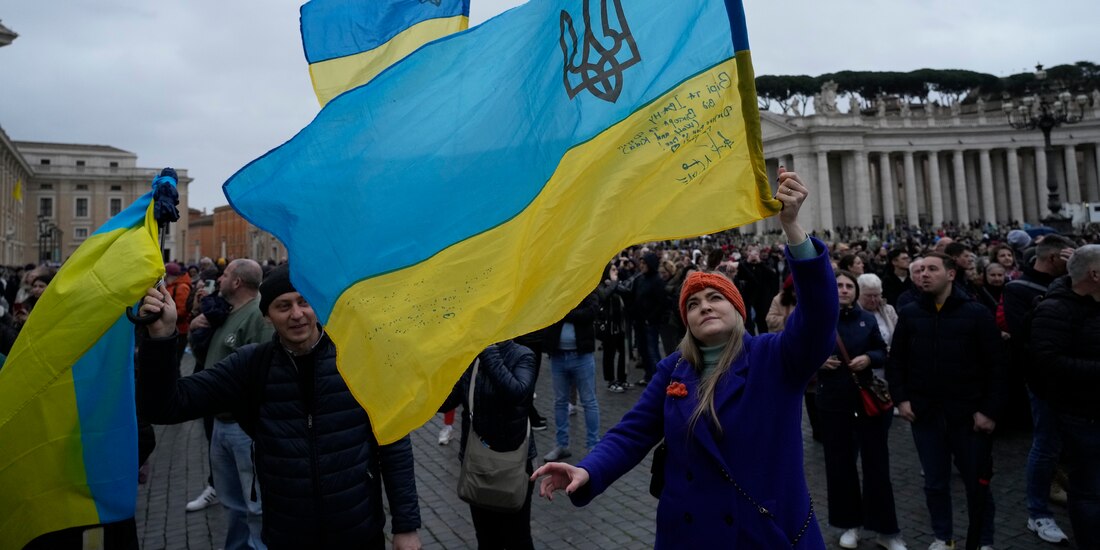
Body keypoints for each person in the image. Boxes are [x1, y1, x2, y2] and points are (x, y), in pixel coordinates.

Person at [532, 169, 840, 548]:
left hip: (763, 529)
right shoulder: (673, 369)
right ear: (687, 322)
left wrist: (792, 229)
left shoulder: (775, 357)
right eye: (692, 304)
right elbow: (632, 433)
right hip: (687, 534)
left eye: (715, 298)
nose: (703, 307)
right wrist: (587, 469)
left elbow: (820, 317)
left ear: (738, 310)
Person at [136, 264, 422, 549]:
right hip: (288, 536)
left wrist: (406, 526)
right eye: (283, 306)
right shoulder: (251, 365)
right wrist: (161, 337)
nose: (296, 315)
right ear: (267, 317)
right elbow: (166, 407)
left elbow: (394, 443)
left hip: (359, 531)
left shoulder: (358, 359)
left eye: (303, 302)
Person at [887, 252, 1008, 550]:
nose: (924, 275)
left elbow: (998, 366)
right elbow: (896, 361)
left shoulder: (976, 313)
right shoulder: (911, 313)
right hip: (925, 415)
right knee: (935, 483)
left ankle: (983, 540)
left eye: (932, 269)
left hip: (968, 415)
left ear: (951, 274)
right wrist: (901, 400)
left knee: (976, 483)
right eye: (921, 270)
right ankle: (943, 537)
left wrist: (989, 410)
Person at [817, 271, 904, 550]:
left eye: (848, 286)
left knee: (877, 465)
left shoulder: (867, 319)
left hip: (867, 400)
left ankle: (886, 530)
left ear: (856, 292)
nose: (843, 290)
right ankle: (848, 525)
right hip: (833, 401)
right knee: (841, 466)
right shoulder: (818, 319)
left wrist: (869, 357)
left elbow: (881, 350)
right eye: (838, 285)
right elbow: (797, 354)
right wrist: (818, 363)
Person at [1001, 234, 1075, 543]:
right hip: (1043, 382)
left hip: (1076, 384)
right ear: (1055, 258)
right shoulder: (1018, 289)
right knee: (1044, 445)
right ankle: (1038, 512)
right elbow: (1025, 337)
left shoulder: (1074, 288)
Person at [1029, 244, 1100, 549]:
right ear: (1094, 274)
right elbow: (1045, 361)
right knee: (1087, 490)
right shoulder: (1054, 308)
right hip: (1079, 412)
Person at [439, 341, 537, 550]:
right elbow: (446, 402)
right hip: (478, 465)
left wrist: (488, 352)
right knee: (486, 539)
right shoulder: (470, 357)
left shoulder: (522, 355)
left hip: (514, 465)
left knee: (518, 539)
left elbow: (518, 394)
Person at [541, 290, 601, 461]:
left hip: (581, 355)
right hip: (558, 355)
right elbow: (548, 311)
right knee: (560, 401)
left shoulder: (587, 285)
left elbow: (590, 312)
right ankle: (561, 445)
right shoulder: (558, 287)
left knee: (589, 401)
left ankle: (593, 445)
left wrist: (565, 312)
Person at [856, 273, 897, 351]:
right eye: (868, 296)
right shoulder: (853, 313)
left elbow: (899, 336)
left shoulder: (889, 310)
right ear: (858, 294)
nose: (873, 300)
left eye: (876, 295)